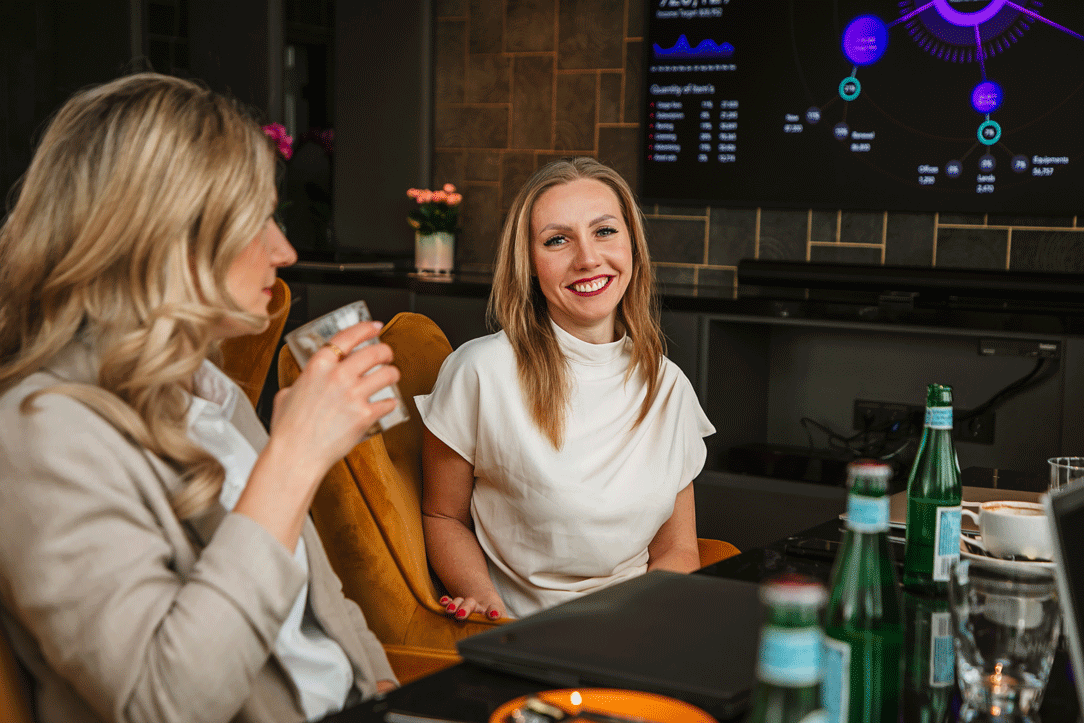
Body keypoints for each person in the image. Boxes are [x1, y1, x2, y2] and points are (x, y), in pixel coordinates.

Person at [0, 73, 400, 723]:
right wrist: (296, 457)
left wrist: (388, 695)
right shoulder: (42, 432)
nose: (284, 251)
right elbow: (164, 702)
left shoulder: (215, 397)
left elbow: (322, 608)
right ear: (163, 236)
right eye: (257, 221)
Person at [417, 157, 715, 620]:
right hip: (525, 636)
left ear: (632, 246)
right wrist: (485, 602)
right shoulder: (480, 372)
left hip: (637, 629)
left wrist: (639, 627)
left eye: (604, 231)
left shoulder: (668, 384)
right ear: (529, 264)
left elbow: (676, 549)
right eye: (557, 240)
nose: (588, 258)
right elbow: (442, 516)